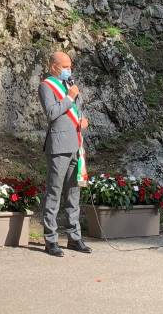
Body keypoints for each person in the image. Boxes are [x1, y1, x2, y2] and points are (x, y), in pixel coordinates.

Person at [39, 50, 92, 256]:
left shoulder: (70, 84)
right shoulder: (46, 86)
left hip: (76, 144)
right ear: (53, 67)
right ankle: (50, 239)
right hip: (59, 146)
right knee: (54, 192)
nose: (69, 70)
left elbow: (76, 110)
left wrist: (82, 119)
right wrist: (69, 98)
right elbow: (52, 113)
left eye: (70, 66)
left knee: (73, 193)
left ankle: (74, 237)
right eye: (65, 66)